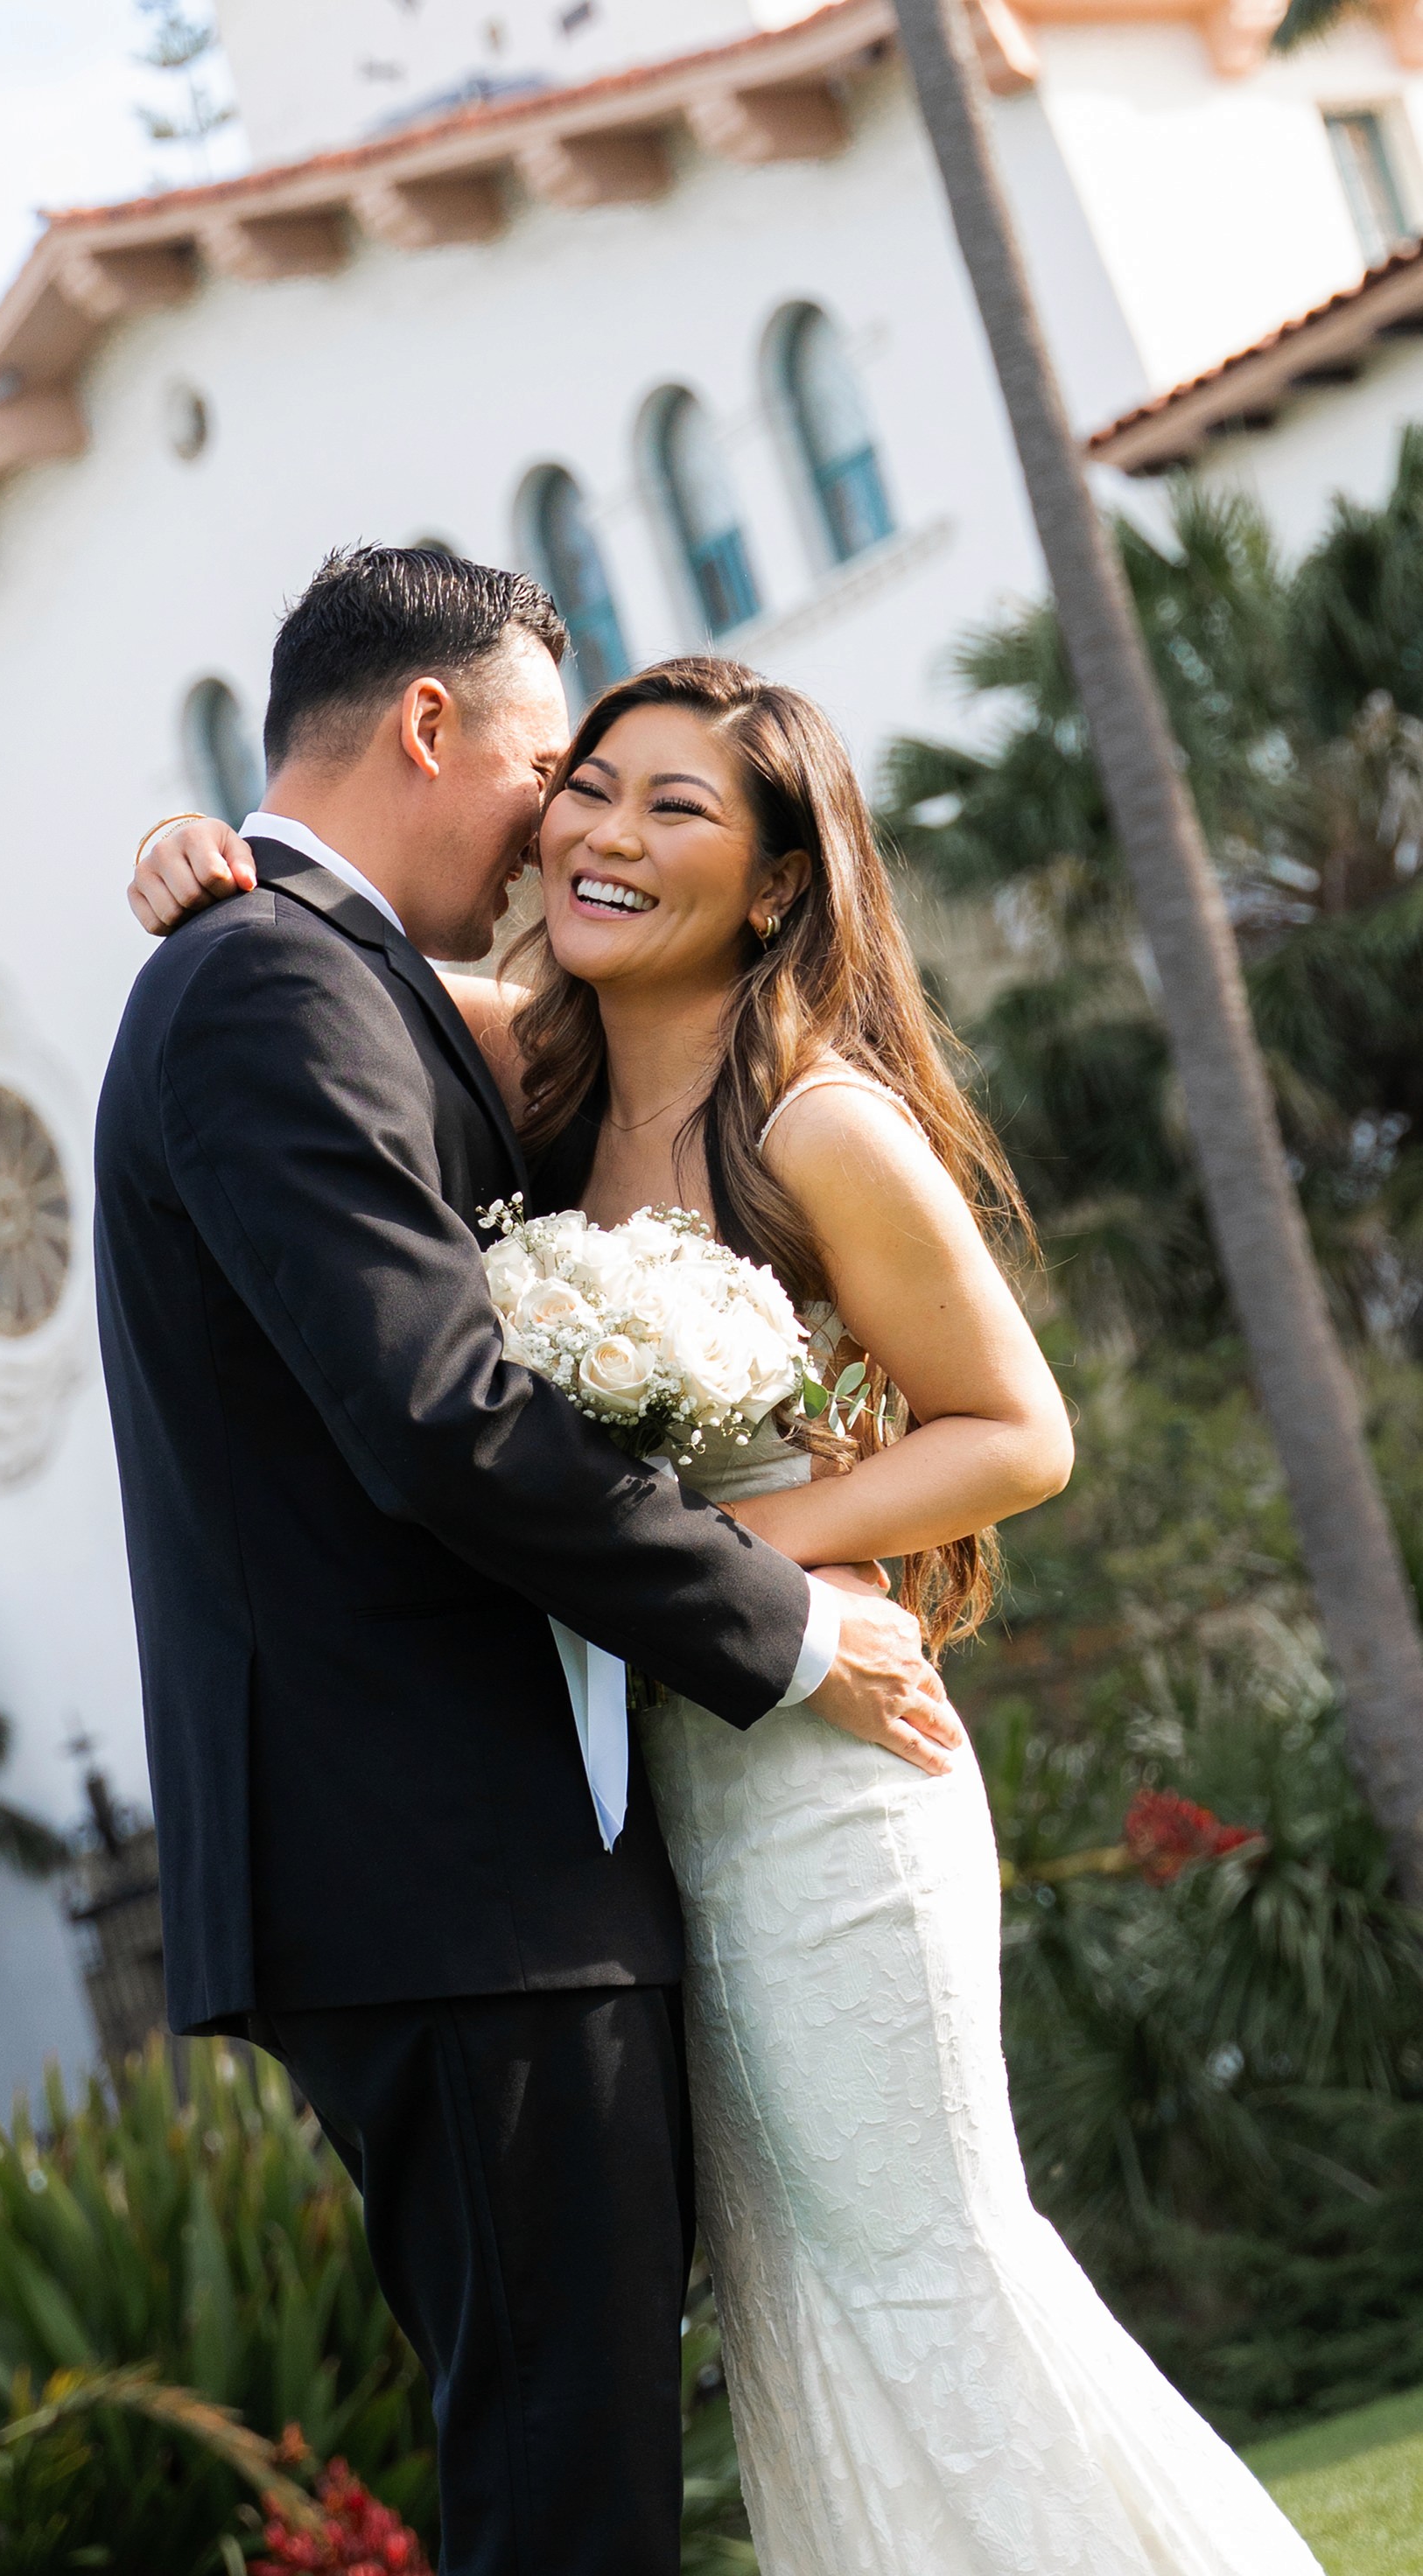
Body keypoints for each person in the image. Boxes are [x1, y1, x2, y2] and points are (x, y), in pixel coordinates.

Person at [136, 640, 1325, 2574]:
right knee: (792, 2317)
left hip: (833, 1764)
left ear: (778, 880)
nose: (597, 831)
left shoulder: (816, 1121)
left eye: (672, 807)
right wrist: (198, 847)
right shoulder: (527, 1066)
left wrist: (765, 1564)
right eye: (587, 784)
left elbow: (1018, 1429)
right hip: (656, 1787)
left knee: (921, 2270)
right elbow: (297, 949)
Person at [95, 547, 962, 2576]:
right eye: (556, 765)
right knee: (565, 2487)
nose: (564, 821)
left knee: (573, 2464)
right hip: (435, 1875)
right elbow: (440, 1416)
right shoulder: (270, 982)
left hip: (477, 1872)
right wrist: (780, 1623)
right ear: (427, 727)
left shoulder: (342, 975)